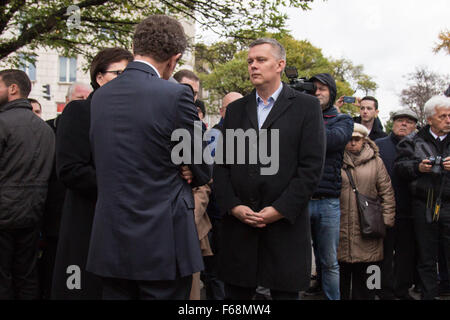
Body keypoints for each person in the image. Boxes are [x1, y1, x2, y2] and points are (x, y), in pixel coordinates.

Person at [87, 15, 211, 300]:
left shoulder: (101, 96)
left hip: (111, 240)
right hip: (162, 243)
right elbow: (201, 166)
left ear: (134, 46)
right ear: (174, 58)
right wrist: (189, 167)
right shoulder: (176, 94)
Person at [214, 38, 325, 300]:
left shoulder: (306, 107)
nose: (253, 66)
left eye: (261, 60)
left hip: (284, 226)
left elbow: (311, 168)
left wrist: (279, 210)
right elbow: (222, 166)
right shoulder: (236, 110)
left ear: (280, 65)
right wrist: (233, 206)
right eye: (250, 61)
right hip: (240, 226)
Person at [51, 48, 133, 300]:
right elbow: (70, 170)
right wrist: (123, 186)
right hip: (88, 220)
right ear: (99, 77)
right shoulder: (80, 111)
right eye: (119, 73)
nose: (126, 79)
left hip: (127, 225)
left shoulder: (134, 114)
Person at [0, 69, 55, 299]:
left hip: (3, 213)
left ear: (13, 89)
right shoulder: (45, 129)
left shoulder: (3, 123)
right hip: (34, 211)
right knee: (27, 274)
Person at [395, 95, 450, 300]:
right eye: (443, 116)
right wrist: (418, 167)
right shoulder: (412, 141)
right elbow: (400, 168)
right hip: (424, 204)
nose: (448, 120)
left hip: (449, 203)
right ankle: (428, 295)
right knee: (426, 256)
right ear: (429, 119)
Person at [304, 73, 353, 300]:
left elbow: (330, 141)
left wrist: (308, 117)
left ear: (331, 93)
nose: (317, 92)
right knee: (299, 259)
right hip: (301, 199)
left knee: (329, 261)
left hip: (328, 202)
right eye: (313, 88)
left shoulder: (343, 120)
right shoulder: (299, 116)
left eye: (322, 88)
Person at [339, 123, 395, 300]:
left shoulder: (376, 162)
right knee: (341, 274)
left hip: (369, 225)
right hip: (341, 224)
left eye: (357, 139)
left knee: (371, 272)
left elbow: (387, 192)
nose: (353, 143)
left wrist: (386, 221)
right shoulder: (335, 159)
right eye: (349, 139)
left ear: (364, 140)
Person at [202, 92, 243, 300]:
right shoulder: (213, 136)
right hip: (219, 213)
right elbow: (210, 175)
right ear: (221, 111)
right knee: (217, 271)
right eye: (232, 107)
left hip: (242, 214)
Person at [375, 109, 418, 300]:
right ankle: (382, 290)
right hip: (383, 209)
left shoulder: (419, 146)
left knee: (406, 254)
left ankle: (402, 290)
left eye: (409, 122)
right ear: (392, 123)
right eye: (400, 120)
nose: (404, 124)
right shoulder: (379, 145)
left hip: (410, 209)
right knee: (381, 253)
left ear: (415, 126)